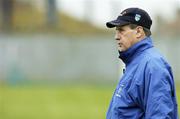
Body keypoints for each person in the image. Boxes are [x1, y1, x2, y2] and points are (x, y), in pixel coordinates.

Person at [106, 7, 178, 119]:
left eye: (121, 30)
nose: (116, 36)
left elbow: (160, 116)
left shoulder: (152, 66)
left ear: (139, 32)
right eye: (116, 31)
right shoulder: (136, 63)